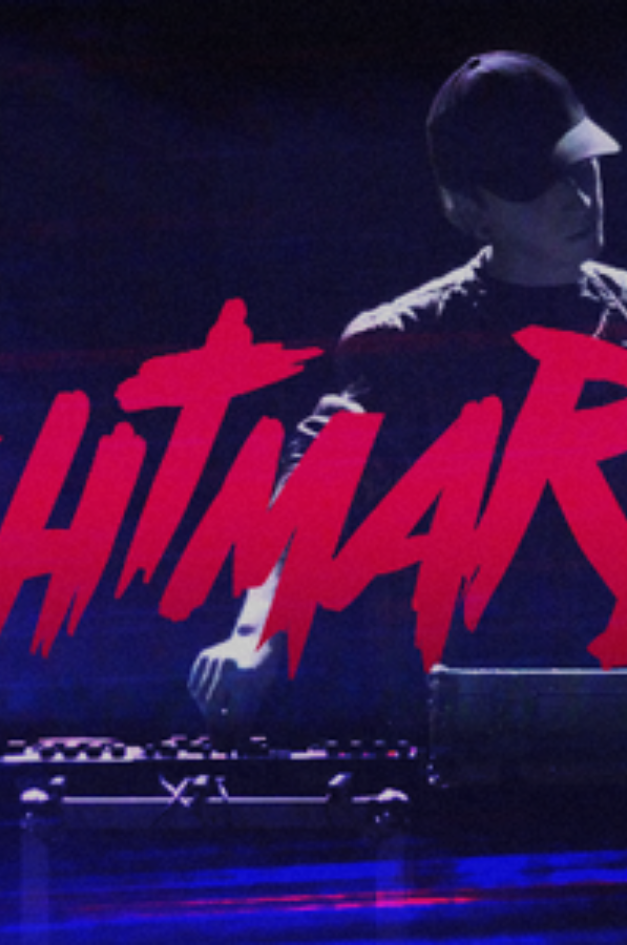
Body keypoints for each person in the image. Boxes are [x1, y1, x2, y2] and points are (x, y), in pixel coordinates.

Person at [188, 51, 627, 736]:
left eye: (580, 166)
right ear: (472, 210)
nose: (577, 198)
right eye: (535, 185)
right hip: (466, 713)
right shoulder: (405, 343)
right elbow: (315, 491)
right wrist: (254, 636)